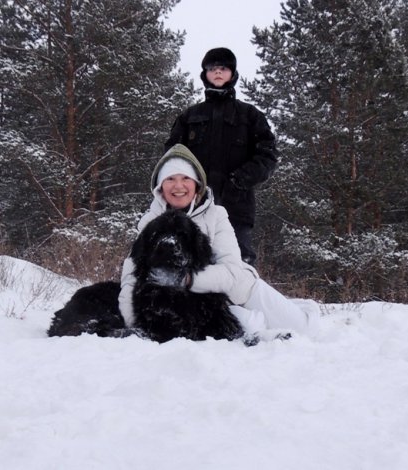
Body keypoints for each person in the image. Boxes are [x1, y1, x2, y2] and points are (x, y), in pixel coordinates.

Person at [118, 144, 319, 337]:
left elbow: (230, 272)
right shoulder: (150, 222)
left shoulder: (216, 215)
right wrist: (132, 321)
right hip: (201, 302)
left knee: (304, 329)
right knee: (243, 325)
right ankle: (250, 321)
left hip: (239, 289)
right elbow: (131, 276)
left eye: (185, 178)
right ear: (160, 187)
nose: (178, 186)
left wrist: (184, 279)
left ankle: (301, 307)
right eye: (170, 178)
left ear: (197, 184)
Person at [165, 47, 278, 265]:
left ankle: (240, 301)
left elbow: (268, 155)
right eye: (212, 68)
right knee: (186, 262)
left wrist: (239, 181)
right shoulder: (189, 117)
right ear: (204, 74)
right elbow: (172, 157)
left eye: (223, 68)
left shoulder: (250, 115)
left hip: (237, 207)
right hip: (192, 205)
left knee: (238, 264)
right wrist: (184, 187)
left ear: (232, 74)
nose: (218, 72)